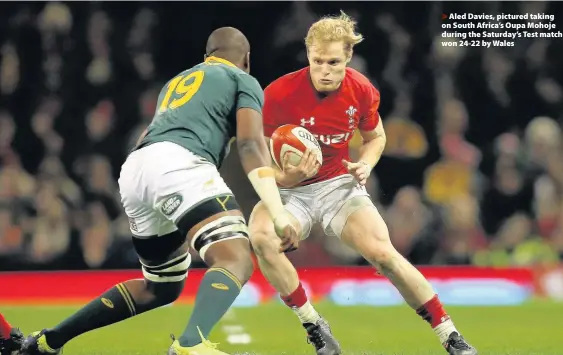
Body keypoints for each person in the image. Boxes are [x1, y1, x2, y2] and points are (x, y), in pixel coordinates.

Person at [21, 27, 297, 355]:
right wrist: (278, 211)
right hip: (179, 164)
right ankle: (190, 345)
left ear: (206, 57)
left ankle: (48, 341)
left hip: (138, 167)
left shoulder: (177, 82)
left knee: (160, 287)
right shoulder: (243, 80)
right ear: (247, 59)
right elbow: (250, 142)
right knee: (235, 256)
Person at [248, 11, 478, 355]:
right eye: (317, 61)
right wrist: (286, 177)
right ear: (308, 55)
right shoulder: (278, 94)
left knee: (384, 255)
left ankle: (450, 335)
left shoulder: (362, 90)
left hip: (337, 186)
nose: (324, 70)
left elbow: (376, 137)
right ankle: (314, 324)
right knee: (260, 237)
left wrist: (366, 164)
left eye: (334, 62)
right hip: (287, 190)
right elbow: (255, 158)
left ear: (348, 58)